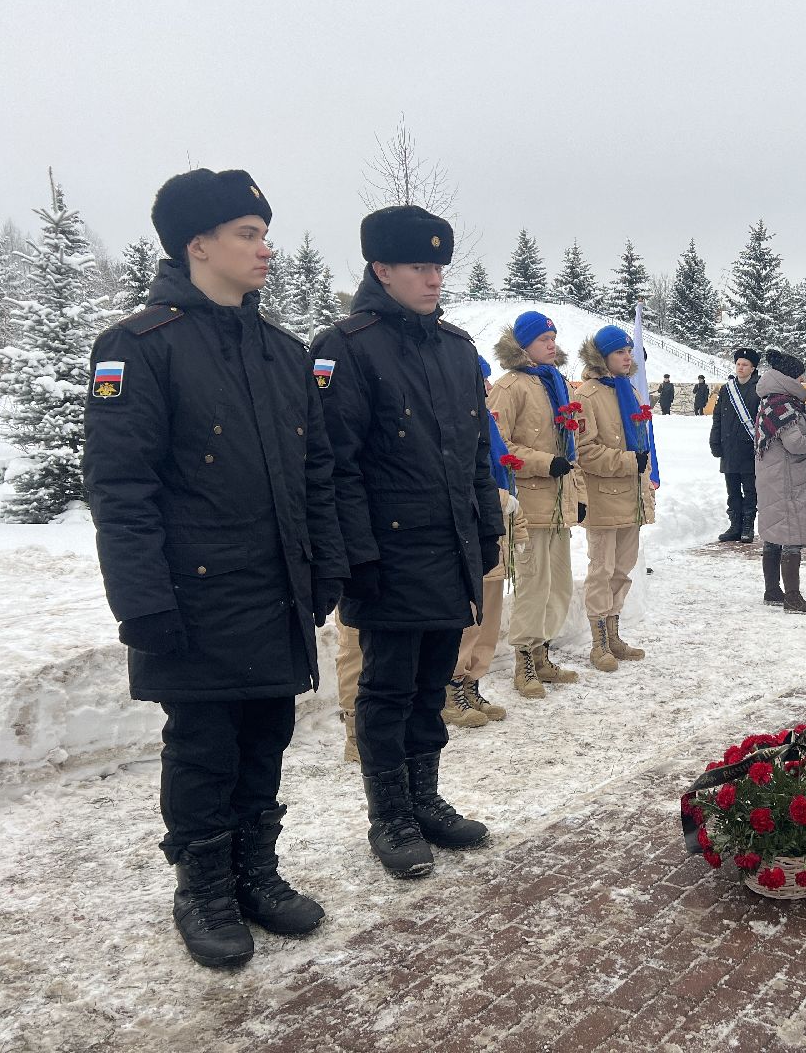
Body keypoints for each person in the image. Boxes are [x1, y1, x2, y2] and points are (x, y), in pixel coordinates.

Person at [84, 168, 345, 967]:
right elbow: (121, 488)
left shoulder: (281, 350)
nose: (265, 248)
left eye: (264, 232)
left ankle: (254, 871)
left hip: (274, 592)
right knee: (202, 744)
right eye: (247, 233)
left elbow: (316, 473)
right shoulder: (137, 346)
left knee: (266, 732)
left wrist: (325, 566)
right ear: (198, 244)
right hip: (192, 599)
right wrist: (142, 605)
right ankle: (201, 885)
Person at [311, 204, 505, 879]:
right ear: (381, 269)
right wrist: (356, 560)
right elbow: (335, 466)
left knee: (430, 686)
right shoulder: (346, 347)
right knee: (387, 691)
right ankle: (389, 815)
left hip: (448, 550)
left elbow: (475, 454)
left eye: (439, 267)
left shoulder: (455, 350)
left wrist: (486, 532)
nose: (433, 279)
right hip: (388, 559)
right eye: (419, 267)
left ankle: (424, 799)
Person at [488, 310, 587, 697]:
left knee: (558, 586)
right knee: (533, 585)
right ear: (523, 345)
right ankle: (524, 662)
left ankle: (543, 653)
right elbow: (499, 446)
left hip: (559, 504)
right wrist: (544, 463)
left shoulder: (558, 383)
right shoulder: (509, 387)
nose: (552, 344)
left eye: (554, 338)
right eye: (544, 339)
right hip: (529, 504)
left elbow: (572, 448)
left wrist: (577, 496)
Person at [444, 353, 527, 727]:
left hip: (493, 529)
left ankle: (473, 682)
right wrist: (498, 499)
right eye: (481, 380)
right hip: (467, 533)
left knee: (489, 616)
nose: (488, 388)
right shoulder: (449, 424)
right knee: (468, 616)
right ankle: (451, 688)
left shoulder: (485, 426)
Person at [574, 325, 656, 669]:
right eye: (620, 351)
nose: (628, 357)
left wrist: (645, 482)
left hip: (632, 496)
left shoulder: (630, 391)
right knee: (602, 570)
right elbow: (584, 450)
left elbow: (643, 444)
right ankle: (599, 643)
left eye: (629, 351)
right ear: (602, 356)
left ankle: (614, 633)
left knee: (623, 569)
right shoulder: (587, 396)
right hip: (604, 497)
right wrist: (627, 462)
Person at [754, 348, 806, 614]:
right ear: (788, 378)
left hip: (775, 477)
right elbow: (795, 443)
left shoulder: (770, 401)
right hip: (786, 480)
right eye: (799, 377)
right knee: (791, 536)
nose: (802, 383)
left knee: (774, 535)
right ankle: (793, 598)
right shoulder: (784, 406)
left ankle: (772, 591)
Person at [710, 347, 761, 543]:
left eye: (745, 365)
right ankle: (735, 525)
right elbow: (718, 418)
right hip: (729, 447)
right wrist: (715, 440)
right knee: (732, 490)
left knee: (750, 490)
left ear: (753, 367)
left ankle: (748, 525)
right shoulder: (727, 388)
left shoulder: (760, 388)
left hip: (749, 448)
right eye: (738, 364)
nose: (740, 367)